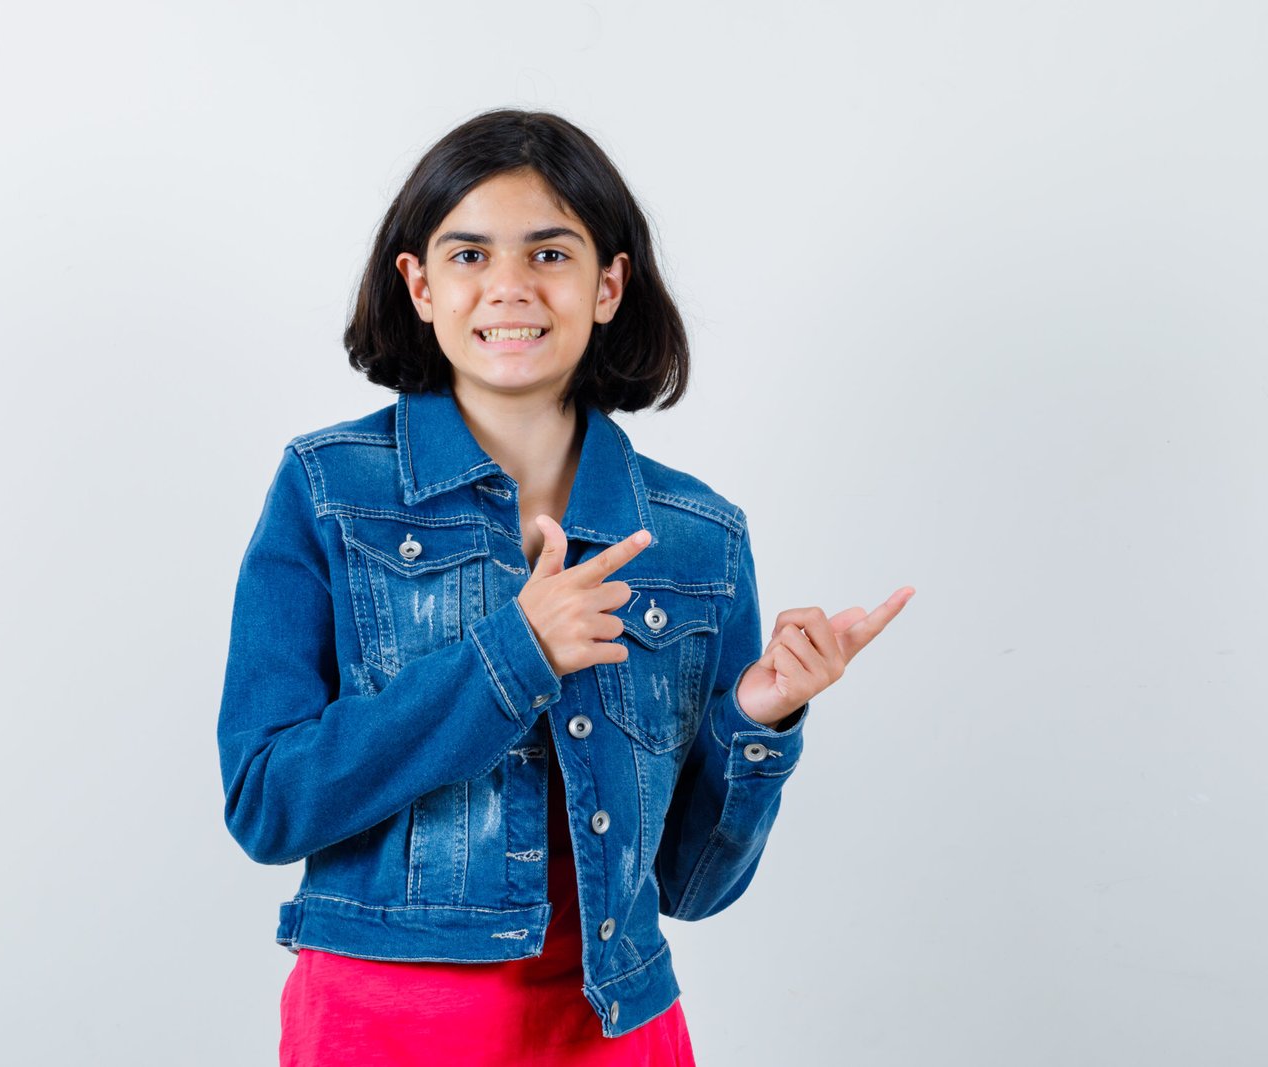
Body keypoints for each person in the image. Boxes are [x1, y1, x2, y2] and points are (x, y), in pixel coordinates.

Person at [218, 108, 914, 1065]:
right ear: (417, 285)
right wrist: (513, 656)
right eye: (468, 256)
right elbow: (268, 802)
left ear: (608, 285)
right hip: (385, 1023)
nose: (510, 286)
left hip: (615, 1025)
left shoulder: (696, 537)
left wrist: (761, 720)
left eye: (550, 254)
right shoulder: (330, 491)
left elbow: (693, 886)